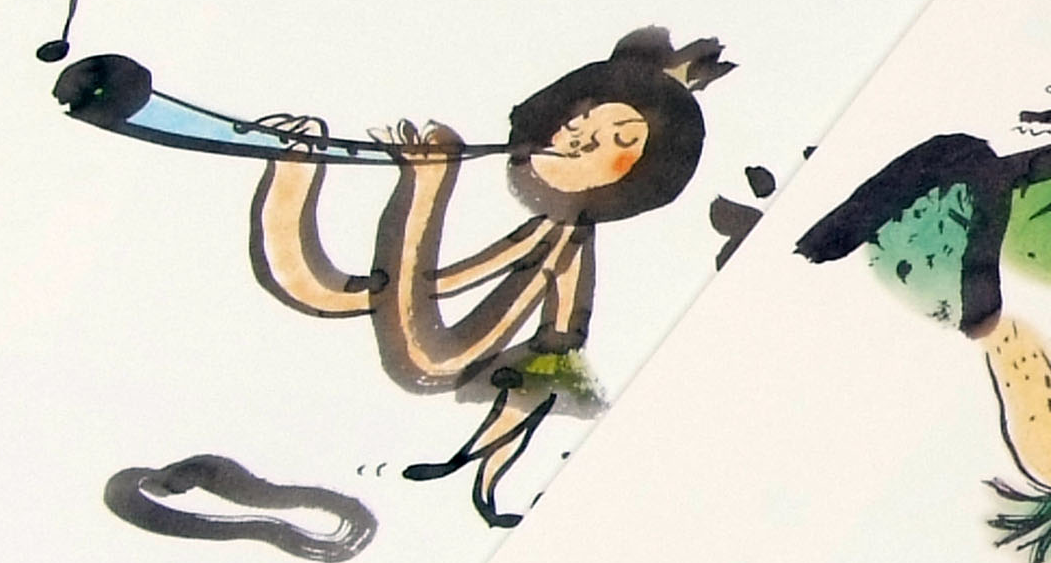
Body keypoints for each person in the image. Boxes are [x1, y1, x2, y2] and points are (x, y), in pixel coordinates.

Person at [246, 27, 727, 525]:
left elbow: (534, 318)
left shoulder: (564, 238)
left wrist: (427, 183)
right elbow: (448, 280)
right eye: (584, 119)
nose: (580, 134)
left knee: (363, 298)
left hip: (441, 356)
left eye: (620, 140)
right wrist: (391, 279)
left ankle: (300, 164)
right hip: (431, 336)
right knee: (323, 287)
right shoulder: (545, 226)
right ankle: (294, 165)